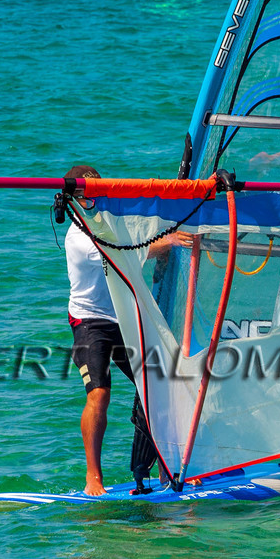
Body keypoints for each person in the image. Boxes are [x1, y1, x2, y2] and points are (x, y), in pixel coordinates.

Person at [62, 164, 174, 494]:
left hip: (124, 319)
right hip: (90, 323)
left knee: (159, 384)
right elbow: (125, 253)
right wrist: (168, 242)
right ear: (74, 198)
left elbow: (140, 231)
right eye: (87, 194)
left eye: (99, 192)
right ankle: (93, 477)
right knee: (100, 393)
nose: (95, 199)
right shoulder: (78, 237)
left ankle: (160, 466)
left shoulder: (109, 222)